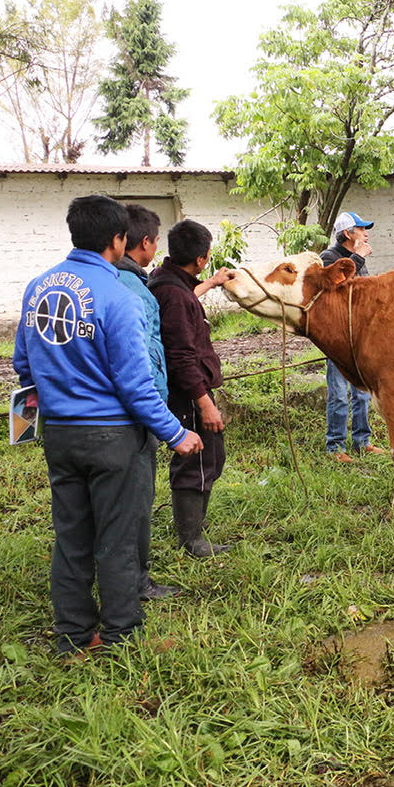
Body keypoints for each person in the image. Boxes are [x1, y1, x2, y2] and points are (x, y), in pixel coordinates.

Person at [13, 195, 203, 655]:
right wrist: (176, 434)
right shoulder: (118, 296)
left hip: (59, 435)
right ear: (119, 240)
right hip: (113, 439)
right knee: (118, 538)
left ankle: (74, 634)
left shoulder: (38, 287)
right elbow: (136, 384)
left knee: (72, 535)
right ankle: (121, 634)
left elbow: (23, 364)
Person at [149, 220, 233, 558]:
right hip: (187, 392)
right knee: (197, 459)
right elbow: (182, 356)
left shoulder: (164, 281)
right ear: (202, 257)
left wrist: (211, 283)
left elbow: (185, 297)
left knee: (210, 456)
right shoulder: (174, 294)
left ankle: (193, 529)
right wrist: (205, 403)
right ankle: (192, 540)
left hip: (187, 389)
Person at [117, 204, 181, 601]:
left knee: (78, 516)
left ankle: (73, 618)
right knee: (134, 504)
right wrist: (170, 427)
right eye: (156, 240)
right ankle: (134, 587)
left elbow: (25, 365)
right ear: (144, 242)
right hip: (128, 421)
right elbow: (138, 371)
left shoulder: (49, 285)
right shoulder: (129, 292)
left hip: (66, 425)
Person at [321, 211, 387, 462]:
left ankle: (362, 441)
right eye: (361, 229)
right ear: (347, 233)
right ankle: (335, 447)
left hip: (360, 336)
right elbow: (336, 288)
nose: (366, 233)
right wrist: (357, 257)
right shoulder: (329, 257)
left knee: (362, 392)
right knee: (338, 393)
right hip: (338, 337)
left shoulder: (358, 257)